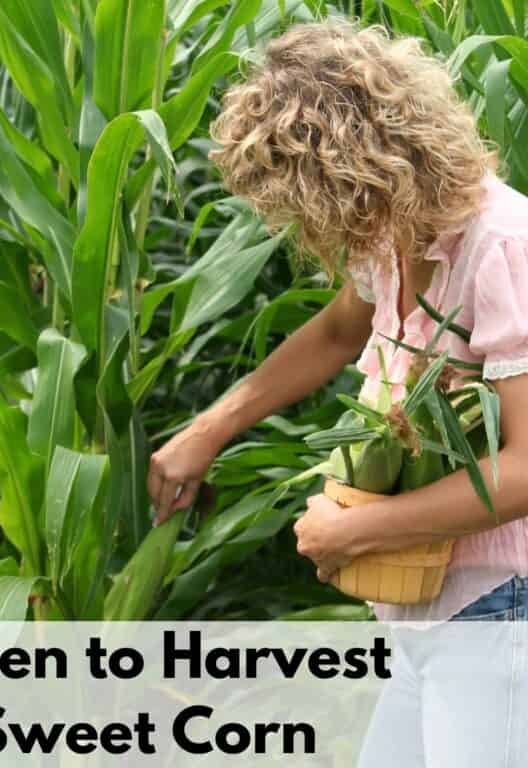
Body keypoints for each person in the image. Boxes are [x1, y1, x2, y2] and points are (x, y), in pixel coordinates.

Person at [146, 18, 528, 763]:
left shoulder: (503, 248)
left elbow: (525, 469)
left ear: (367, 171)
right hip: (429, 615)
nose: (321, 229)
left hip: (501, 610)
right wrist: (208, 429)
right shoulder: (395, 232)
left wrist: (357, 532)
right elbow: (334, 334)